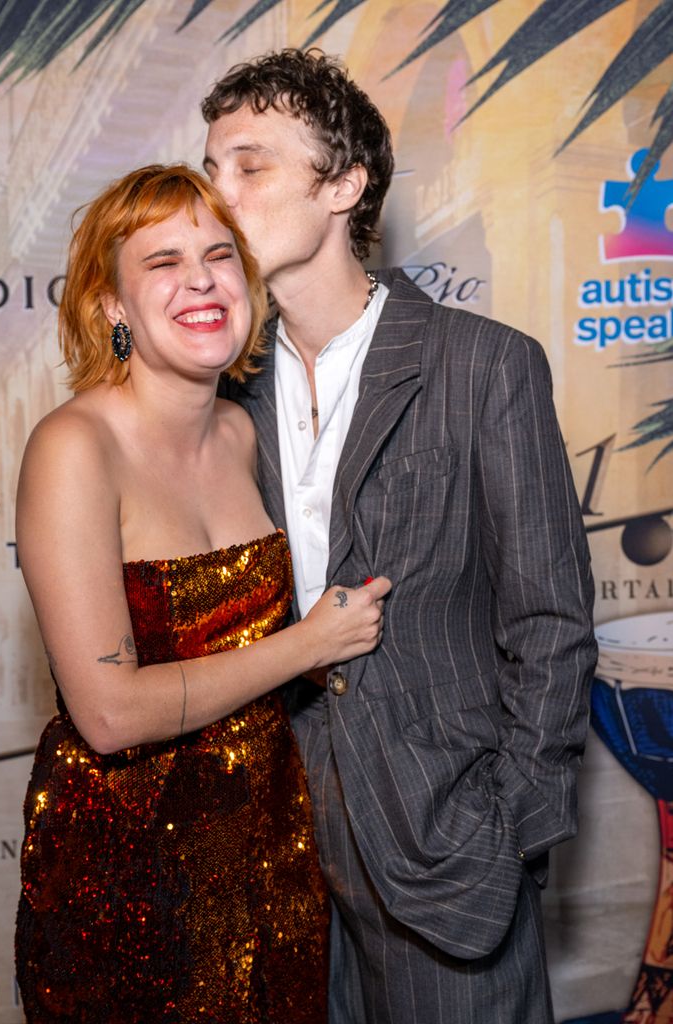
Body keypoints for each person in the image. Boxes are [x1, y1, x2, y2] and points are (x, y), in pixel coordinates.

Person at [202, 49, 598, 1024]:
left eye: (248, 165)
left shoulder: (482, 365)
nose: (215, 195)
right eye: (209, 168)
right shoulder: (220, 395)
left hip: (445, 850)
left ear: (343, 183)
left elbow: (548, 620)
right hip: (272, 855)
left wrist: (505, 829)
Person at [13, 163, 389, 1023]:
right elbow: (107, 714)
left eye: (219, 255)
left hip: (270, 845)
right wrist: (308, 645)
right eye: (162, 262)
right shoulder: (74, 447)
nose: (200, 280)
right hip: (129, 870)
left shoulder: (239, 430)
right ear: (110, 305)